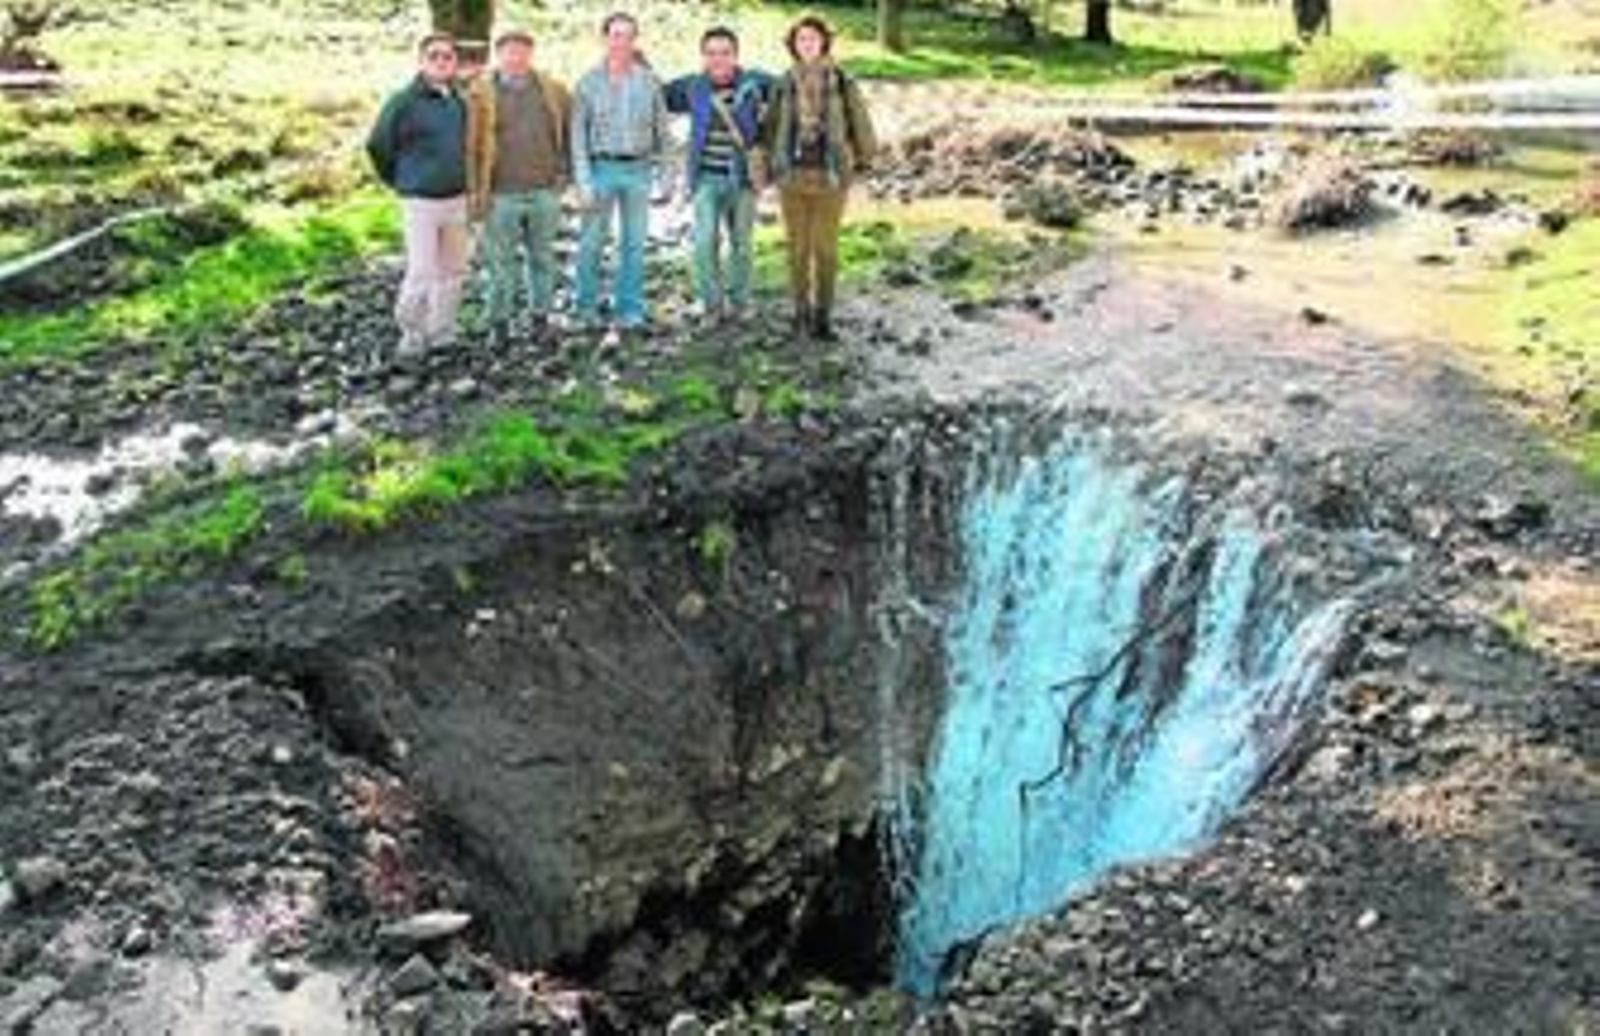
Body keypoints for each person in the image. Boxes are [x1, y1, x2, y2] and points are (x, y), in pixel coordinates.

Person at [761, 15, 878, 342]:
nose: (807, 44)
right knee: (797, 250)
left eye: (812, 38)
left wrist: (865, 160)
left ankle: (823, 316)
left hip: (831, 177)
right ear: (793, 45)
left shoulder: (842, 80)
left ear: (824, 41)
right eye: (800, 39)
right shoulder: (783, 82)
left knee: (825, 250)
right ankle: (800, 312)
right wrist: (766, 164)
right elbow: (771, 127)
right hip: (792, 177)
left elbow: (861, 122)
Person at [366, 33, 473, 358]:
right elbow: (378, 145)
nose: (441, 62)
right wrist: (402, 180)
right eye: (434, 56)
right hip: (420, 201)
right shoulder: (403, 101)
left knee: (453, 269)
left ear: (455, 63)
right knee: (422, 270)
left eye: (447, 57)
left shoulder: (458, 100)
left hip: (456, 199)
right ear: (422, 61)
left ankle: (442, 331)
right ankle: (411, 332)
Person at [466, 28, 573, 347]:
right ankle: (499, 322)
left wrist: (564, 174)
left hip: (544, 191)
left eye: (523, 51)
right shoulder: (480, 92)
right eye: (510, 51)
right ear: (499, 55)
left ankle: (540, 317)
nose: (517, 57)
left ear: (531, 53)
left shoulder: (553, 89)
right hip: (500, 194)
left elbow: (569, 130)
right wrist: (475, 190)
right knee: (501, 263)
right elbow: (470, 146)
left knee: (542, 258)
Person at [664, 28, 771, 327]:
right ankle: (712, 305)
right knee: (703, 243)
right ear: (703, 56)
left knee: (742, 244)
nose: (718, 59)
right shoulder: (692, 87)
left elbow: (790, 93)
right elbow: (656, 96)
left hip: (743, 179)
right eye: (711, 53)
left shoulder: (756, 82)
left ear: (735, 55)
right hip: (705, 179)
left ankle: (740, 303)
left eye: (724, 52)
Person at [570, 12, 668, 334]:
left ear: (634, 41)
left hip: (638, 170)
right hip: (600, 168)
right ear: (604, 38)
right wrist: (583, 181)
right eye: (615, 34)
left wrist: (665, 174)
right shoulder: (587, 83)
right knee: (591, 242)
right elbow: (577, 138)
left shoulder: (650, 81)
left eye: (627, 35)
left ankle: (630, 308)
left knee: (634, 243)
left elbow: (663, 132)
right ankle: (585, 307)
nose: (621, 42)